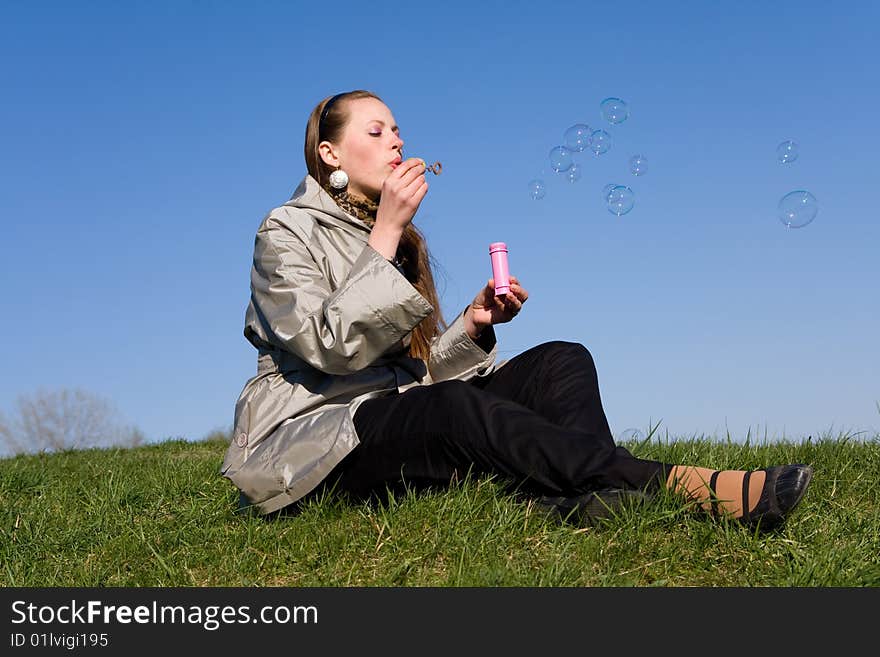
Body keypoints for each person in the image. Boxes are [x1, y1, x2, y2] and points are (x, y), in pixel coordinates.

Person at [220, 89, 813, 530]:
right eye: (376, 132)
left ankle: (585, 501)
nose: (398, 141)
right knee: (452, 409)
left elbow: (413, 378)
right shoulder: (285, 231)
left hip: (396, 414)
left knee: (562, 359)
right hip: (322, 441)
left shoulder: (393, 240)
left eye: (398, 129)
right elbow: (330, 348)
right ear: (330, 154)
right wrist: (387, 234)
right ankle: (674, 485)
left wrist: (472, 328)